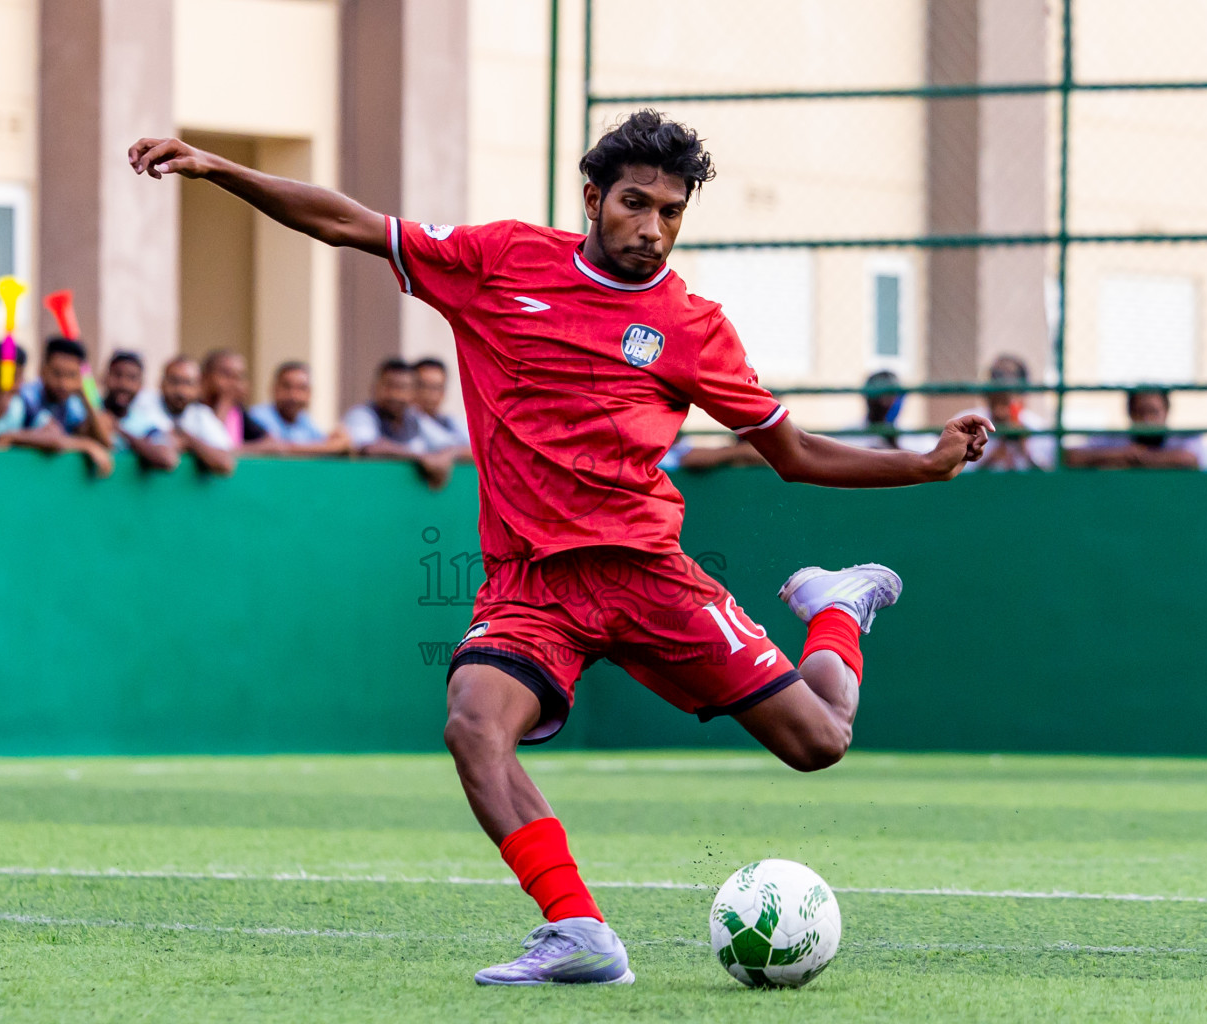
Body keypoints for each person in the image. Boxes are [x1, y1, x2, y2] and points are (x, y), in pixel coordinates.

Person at [129, 110, 990, 986]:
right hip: (531, 586)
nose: (651, 228)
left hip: (648, 575)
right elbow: (348, 222)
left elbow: (794, 454)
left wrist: (923, 466)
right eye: (633, 203)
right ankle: (578, 931)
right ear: (592, 198)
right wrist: (217, 168)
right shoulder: (501, 261)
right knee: (473, 723)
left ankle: (836, 606)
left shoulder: (692, 326)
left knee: (820, 742)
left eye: (671, 212)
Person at [0, 341, 114, 476]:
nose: (8, 384)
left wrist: (14, 437)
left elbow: (54, 435)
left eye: (16, 377)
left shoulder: (20, 400)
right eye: (0, 374)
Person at [342, 358, 453, 487]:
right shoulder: (361, 414)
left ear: (413, 393)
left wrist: (445, 457)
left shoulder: (415, 418)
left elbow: (451, 444)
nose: (395, 395)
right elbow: (368, 447)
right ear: (375, 387)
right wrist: (421, 457)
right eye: (389, 386)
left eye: (403, 388)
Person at [119, 355, 235, 475]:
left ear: (198, 388)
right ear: (161, 383)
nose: (181, 391)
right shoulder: (144, 404)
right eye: (175, 382)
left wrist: (188, 440)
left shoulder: (201, 414)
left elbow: (225, 463)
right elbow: (166, 454)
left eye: (188, 383)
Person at [956, 355, 1055, 471]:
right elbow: (956, 477)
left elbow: (1049, 479)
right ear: (987, 396)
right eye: (998, 398)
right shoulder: (967, 423)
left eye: (1012, 396)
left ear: (1023, 396)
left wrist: (1025, 452)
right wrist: (994, 456)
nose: (1002, 408)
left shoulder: (1038, 429)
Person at [1063, 387, 1200, 470]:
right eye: (1140, 412)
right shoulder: (1114, 439)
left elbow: (1190, 459)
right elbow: (1070, 457)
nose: (1147, 419)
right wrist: (1120, 454)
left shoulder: (1182, 438)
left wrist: (1139, 458)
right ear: (1130, 413)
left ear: (1166, 411)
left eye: (1153, 412)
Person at [19, 337, 114, 448]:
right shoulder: (27, 395)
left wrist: (85, 395)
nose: (63, 383)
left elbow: (105, 441)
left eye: (72, 375)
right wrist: (86, 445)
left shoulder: (74, 402)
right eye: (57, 374)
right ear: (42, 370)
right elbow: (54, 438)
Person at [246, 361, 351, 455]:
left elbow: (325, 442)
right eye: (287, 387)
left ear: (310, 393)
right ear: (273, 388)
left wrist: (334, 440)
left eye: (301, 388)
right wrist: (330, 447)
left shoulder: (304, 421)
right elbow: (276, 448)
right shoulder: (258, 416)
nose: (294, 396)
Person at [201, 349, 269, 448]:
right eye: (227, 374)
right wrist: (225, 403)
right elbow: (212, 443)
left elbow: (269, 441)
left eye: (240, 376)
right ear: (205, 377)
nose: (235, 383)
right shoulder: (194, 408)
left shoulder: (237, 411)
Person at [413, 357, 472, 452]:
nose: (430, 394)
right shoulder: (406, 420)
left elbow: (477, 448)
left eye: (436, 387)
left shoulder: (453, 421)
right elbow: (441, 446)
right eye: (424, 386)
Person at [103, 350, 145, 418]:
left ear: (141, 384)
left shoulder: (146, 426)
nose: (124, 384)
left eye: (132, 378)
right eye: (117, 375)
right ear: (105, 377)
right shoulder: (85, 415)